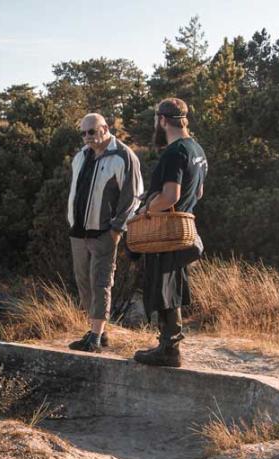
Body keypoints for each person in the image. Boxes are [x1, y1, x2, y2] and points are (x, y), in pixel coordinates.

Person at [133, 97, 208, 368]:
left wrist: (147, 209)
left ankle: (169, 349)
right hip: (183, 230)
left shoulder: (174, 151)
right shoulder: (196, 148)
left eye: (157, 120)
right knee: (171, 285)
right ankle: (169, 345)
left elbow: (170, 196)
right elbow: (198, 191)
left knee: (162, 287)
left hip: (164, 231)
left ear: (162, 120)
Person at [67, 113, 143, 352]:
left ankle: (96, 338)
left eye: (91, 131)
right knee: (83, 282)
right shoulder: (81, 156)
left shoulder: (123, 156)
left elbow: (133, 196)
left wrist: (117, 228)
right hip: (79, 231)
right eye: (83, 133)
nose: (86, 137)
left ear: (105, 128)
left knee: (100, 281)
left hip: (104, 232)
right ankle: (98, 329)